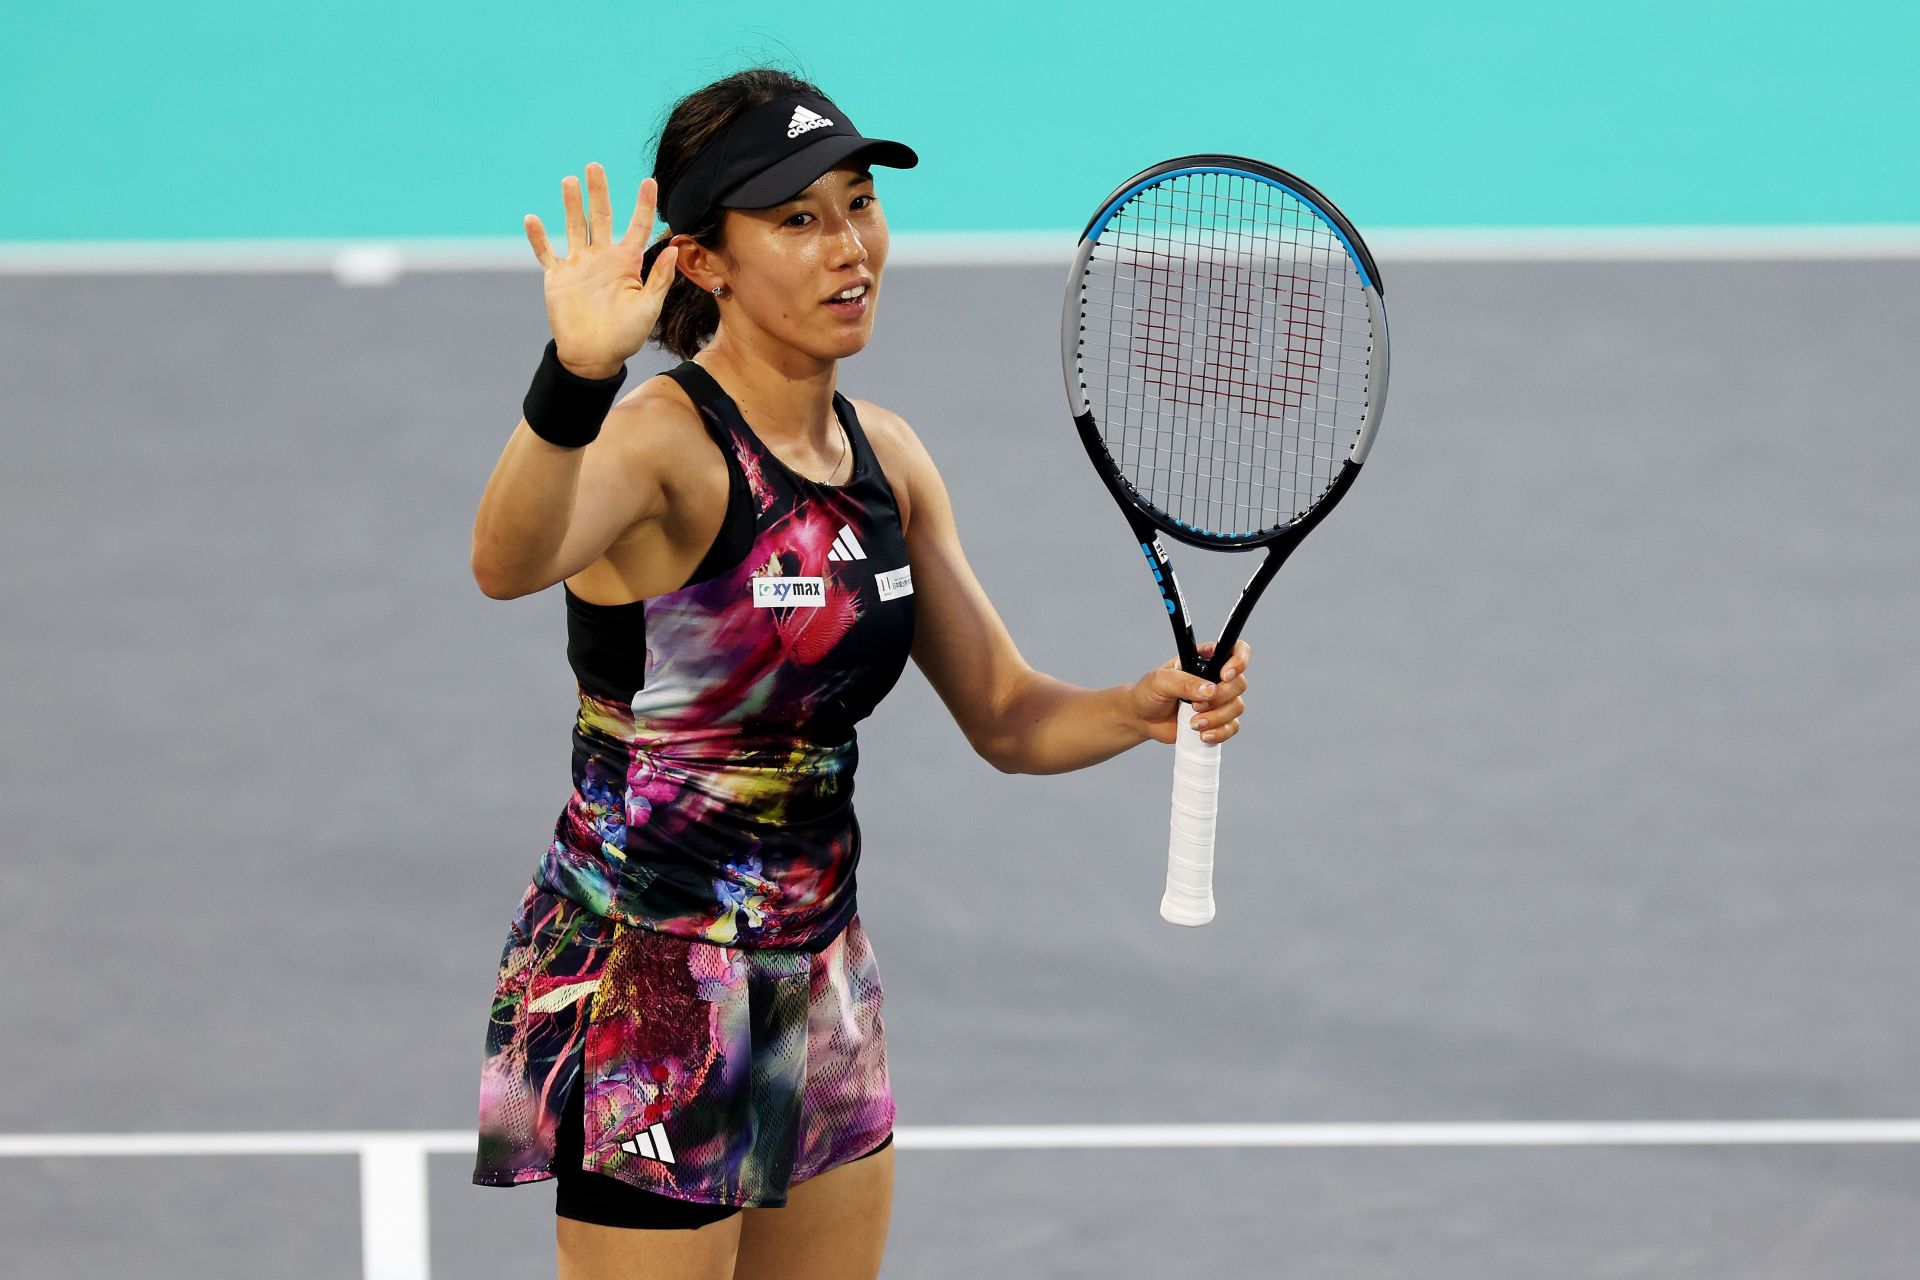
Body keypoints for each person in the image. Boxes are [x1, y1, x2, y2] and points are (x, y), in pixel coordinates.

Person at [466, 68, 1253, 1280]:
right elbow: (506, 559)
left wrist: (1135, 709)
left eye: (857, 204)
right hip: (657, 985)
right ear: (705, 262)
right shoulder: (664, 447)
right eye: (798, 219)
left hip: (819, 973)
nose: (850, 247)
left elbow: (1004, 710)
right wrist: (574, 376)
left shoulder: (888, 456)